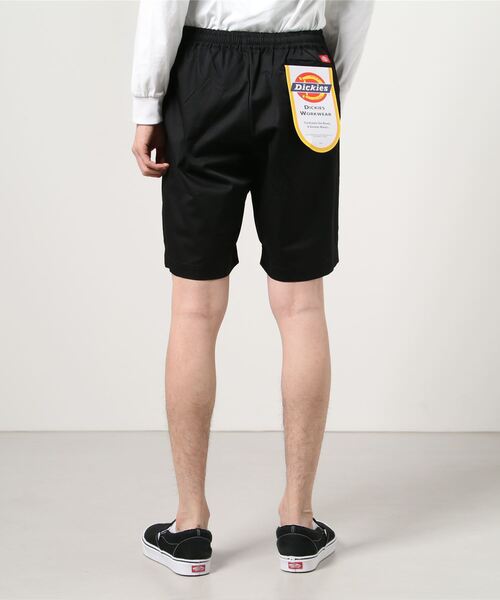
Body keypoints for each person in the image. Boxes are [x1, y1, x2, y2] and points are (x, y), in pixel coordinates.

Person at [131, 0, 373, 576]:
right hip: (304, 70)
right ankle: (300, 524)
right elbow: (355, 7)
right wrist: (328, 85)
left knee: (194, 309)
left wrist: (147, 102)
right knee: (302, 305)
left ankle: (189, 526)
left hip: (204, 73)